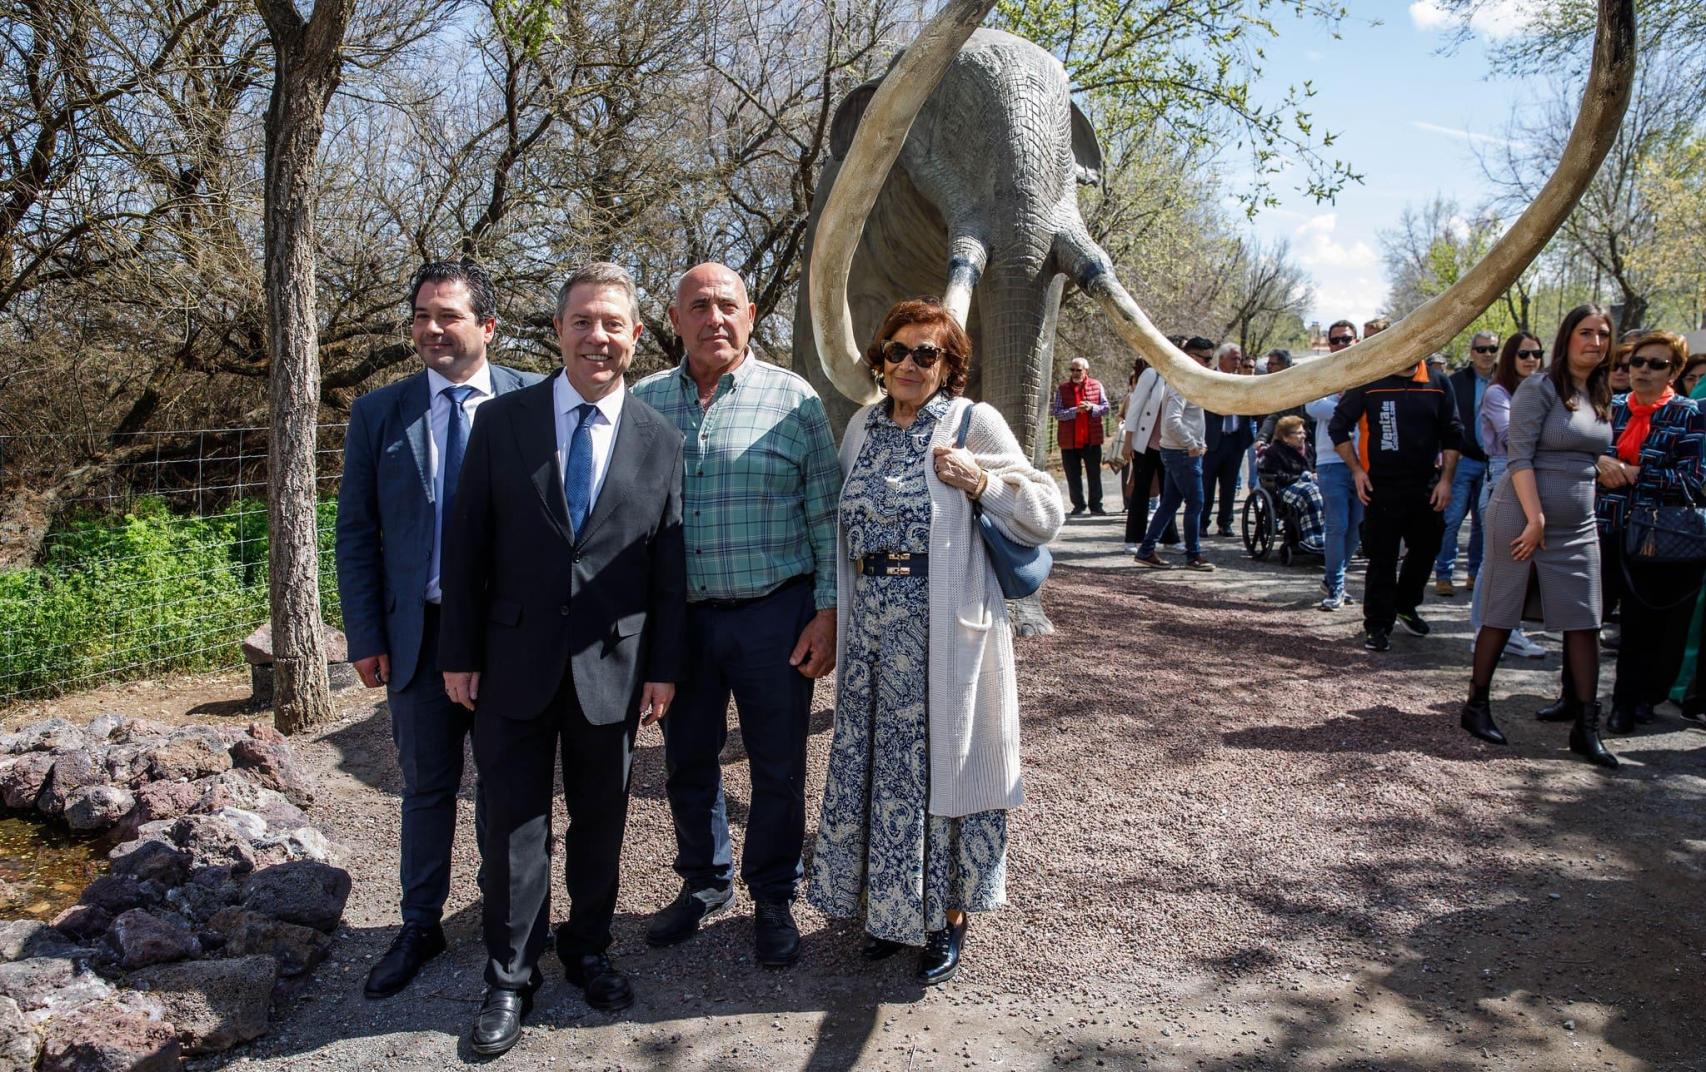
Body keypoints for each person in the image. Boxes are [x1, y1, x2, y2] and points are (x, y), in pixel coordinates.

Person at [437, 263, 686, 1054]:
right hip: (510, 661)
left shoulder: (660, 438)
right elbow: (467, 544)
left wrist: (663, 666)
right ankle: (510, 976)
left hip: (612, 669)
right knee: (511, 826)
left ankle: (588, 948)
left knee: (601, 823)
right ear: (558, 331)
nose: (598, 337)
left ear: (638, 336)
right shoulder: (503, 422)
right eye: (582, 321)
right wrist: (459, 653)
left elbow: (667, 569)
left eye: (613, 323)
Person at [808, 297, 1063, 986]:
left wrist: (982, 482)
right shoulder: (861, 427)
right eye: (898, 350)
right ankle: (891, 915)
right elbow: (841, 533)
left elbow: (1046, 512)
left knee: (944, 772)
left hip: (944, 630)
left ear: (949, 364)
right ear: (880, 358)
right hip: (872, 639)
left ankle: (948, 919)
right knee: (882, 775)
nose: (911, 363)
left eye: (928, 353)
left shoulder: (973, 421)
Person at [335, 261, 541, 1002]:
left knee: (508, 789)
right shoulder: (378, 415)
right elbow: (356, 532)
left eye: (447, 316)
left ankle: (508, 926)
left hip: (509, 635)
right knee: (426, 787)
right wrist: (364, 633)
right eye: (420, 315)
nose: (430, 329)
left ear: (486, 326)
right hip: (417, 635)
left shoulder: (535, 401)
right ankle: (419, 924)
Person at [632, 263, 840, 968]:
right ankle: (705, 882)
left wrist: (828, 612)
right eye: (698, 306)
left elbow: (825, 513)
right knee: (688, 761)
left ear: (750, 315)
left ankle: (774, 894)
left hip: (774, 615)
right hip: (680, 621)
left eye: (726, 305)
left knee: (778, 766)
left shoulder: (795, 399)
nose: (713, 318)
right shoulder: (643, 403)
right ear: (674, 317)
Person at [1459, 305, 1615, 767]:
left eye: (1603, 334)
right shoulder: (1538, 387)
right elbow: (1519, 455)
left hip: (1579, 523)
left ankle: (1586, 728)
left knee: (1586, 618)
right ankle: (1476, 705)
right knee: (1502, 608)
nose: (1595, 341)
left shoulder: (1599, 393)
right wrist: (1536, 518)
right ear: (1566, 338)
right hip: (1523, 514)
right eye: (1585, 332)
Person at [1596, 330, 1706, 733]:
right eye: (1636, 363)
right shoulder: (1610, 408)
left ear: (1673, 371)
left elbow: (1694, 480)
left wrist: (1636, 474)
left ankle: (1628, 702)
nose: (1643, 371)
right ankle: (1574, 697)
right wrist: (1600, 465)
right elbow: (1587, 454)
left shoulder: (1689, 413)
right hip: (1604, 526)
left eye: (1656, 364)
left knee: (1641, 628)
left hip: (1653, 537)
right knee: (1588, 618)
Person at [1329, 348, 1463, 652]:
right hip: (1382, 486)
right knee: (1382, 558)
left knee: (1427, 548)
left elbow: (1453, 433)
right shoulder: (1370, 381)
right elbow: (1338, 427)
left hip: (1428, 485)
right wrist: (1357, 471)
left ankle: (1406, 604)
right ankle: (1377, 625)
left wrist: (1446, 481)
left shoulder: (1439, 382)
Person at [1467, 333, 1547, 659]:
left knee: (1522, 562)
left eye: (1537, 353)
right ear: (1511, 358)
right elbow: (1513, 437)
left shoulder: (1545, 391)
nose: (1531, 359)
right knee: (1494, 561)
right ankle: (1483, 633)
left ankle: (1510, 632)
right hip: (1503, 477)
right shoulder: (1497, 393)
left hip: (1538, 478)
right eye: (1524, 354)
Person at [1133, 339, 1216, 571]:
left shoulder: (1187, 381)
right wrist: (1191, 443)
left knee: (1169, 504)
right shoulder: (1183, 383)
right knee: (1196, 502)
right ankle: (1194, 556)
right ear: (1191, 356)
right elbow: (1172, 420)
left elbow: (1190, 420)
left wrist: (1200, 442)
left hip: (1180, 451)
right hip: (1182, 453)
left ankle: (1146, 550)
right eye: (1206, 358)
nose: (1210, 363)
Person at [1435, 333, 1500, 597]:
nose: (1487, 353)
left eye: (1492, 348)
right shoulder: (1456, 382)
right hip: (1462, 460)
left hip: (1493, 462)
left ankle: (1476, 574)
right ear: (1472, 352)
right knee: (1451, 520)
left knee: (1484, 523)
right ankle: (1443, 574)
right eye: (1481, 349)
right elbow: (1444, 421)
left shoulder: (1507, 381)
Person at [1306, 322, 1365, 611]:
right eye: (1335, 340)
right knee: (1336, 525)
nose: (1340, 344)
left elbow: (1372, 408)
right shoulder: (1321, 372)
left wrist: (1346, 405)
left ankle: (1334, 580)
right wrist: (1351, 408)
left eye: (1346, 339)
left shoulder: (1367, 370)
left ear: (1356, 341)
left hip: (1364, 462)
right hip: (1331, 461)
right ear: (1328, 344)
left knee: (1355, 527)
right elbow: (1312, 407)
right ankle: (1336, 585)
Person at [1118, 355, 1172, 554]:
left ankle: (1170, 538)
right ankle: (1133, 539)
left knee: (1170, 494)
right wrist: (1128, 441)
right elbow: (1135, 408)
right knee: (1141, 492)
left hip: (1168, 445)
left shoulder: (1180, 378)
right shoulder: (1152, 375)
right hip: (1146, 444)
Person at [1201, 343, 1256, 538]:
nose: (1238, 362)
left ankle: (1225, 523)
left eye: (1239, 359)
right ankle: (1202, 523)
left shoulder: (1243, 382)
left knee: (1230, 485)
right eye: (1234, 358)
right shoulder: (1208, 380)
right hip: (1212, 441)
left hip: (1235, 441)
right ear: (1221, 359)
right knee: (1206, 484)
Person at [1052, 356, 1111, 516]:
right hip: (1069, 441)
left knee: (1094, 474)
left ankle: (1096, 506)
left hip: (1091, 439)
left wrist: (1092, 407)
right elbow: (1056, 413)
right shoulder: (1062, 389)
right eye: (1072, 370)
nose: (1075, 373)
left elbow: (1106, 408)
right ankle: (1078, 505)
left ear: (1086, 371)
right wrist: (1074, 411)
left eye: (1079, 370)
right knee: (1072, 475)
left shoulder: (1097, 386)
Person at [1258, 415, 1324, 554]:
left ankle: (1326, 536)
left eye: (1303, 432)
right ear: (1285, 436)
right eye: (1298, 433)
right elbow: (1276, 475)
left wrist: (1315, 474)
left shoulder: (1309, 448)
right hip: (1285, 487)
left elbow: (1315, 467)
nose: (1303, 436)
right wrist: (1303, 476)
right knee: (1311, 492)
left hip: (1309, 485)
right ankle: (1314, 538)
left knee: (1328, 491)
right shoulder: (1274, 451)